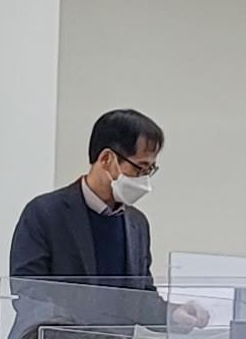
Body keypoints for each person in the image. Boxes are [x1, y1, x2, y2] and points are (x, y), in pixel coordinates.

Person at [10, 108, 163, 290]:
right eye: (140, 168)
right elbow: (28, 292)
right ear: (106, 159)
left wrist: (177, 307)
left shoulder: (137, 223)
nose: (144, 178)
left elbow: (144, 295)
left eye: (149, 170)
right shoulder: (44, 214)